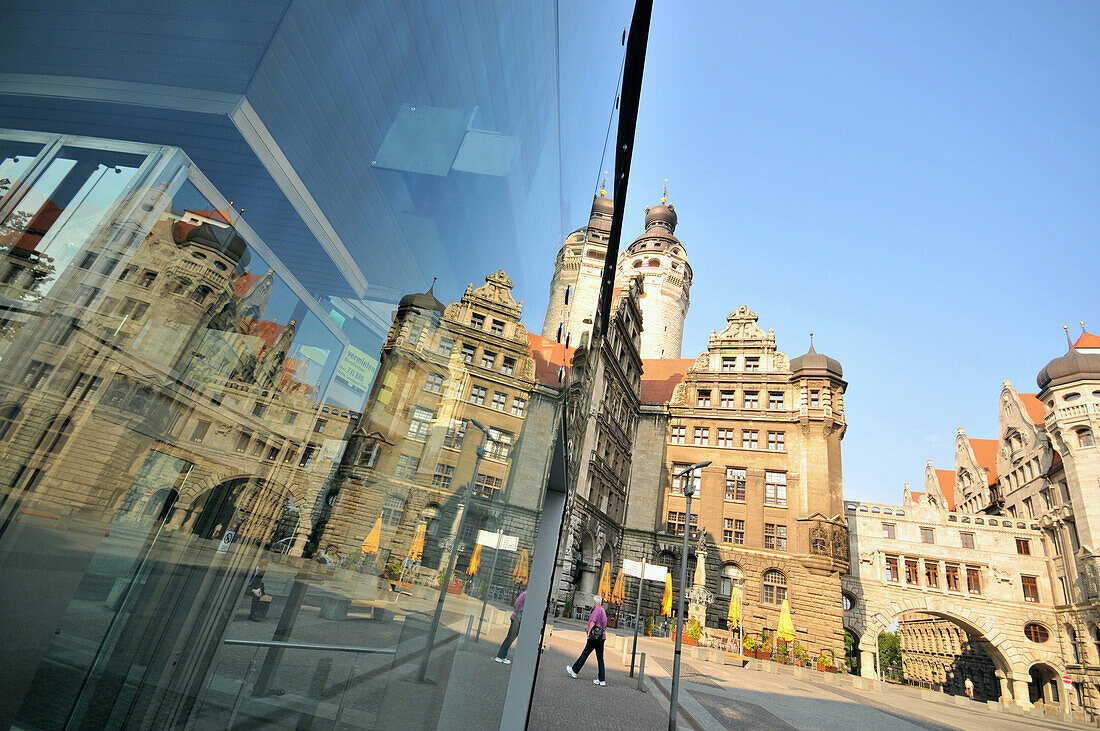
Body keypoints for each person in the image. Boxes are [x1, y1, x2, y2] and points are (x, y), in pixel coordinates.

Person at [566, 595, 607, 686]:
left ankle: (574, 671)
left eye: (594, 602)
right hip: (601, 637)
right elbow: (603, 624)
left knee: (585, 654)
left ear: (595, 602)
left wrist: (588, 633)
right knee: (600, 659)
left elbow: (593, 622)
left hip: (594, 637)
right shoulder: (603, 610)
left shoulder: (596, 610)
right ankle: (602, 679)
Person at [494, 589, 526, 664]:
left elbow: (516, 604)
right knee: (510, 638)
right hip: (518, 618)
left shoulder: (524, 594)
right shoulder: (526, 595)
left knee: (510, 637)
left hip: (515, 617)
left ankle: (502, 655)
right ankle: (500, 656)